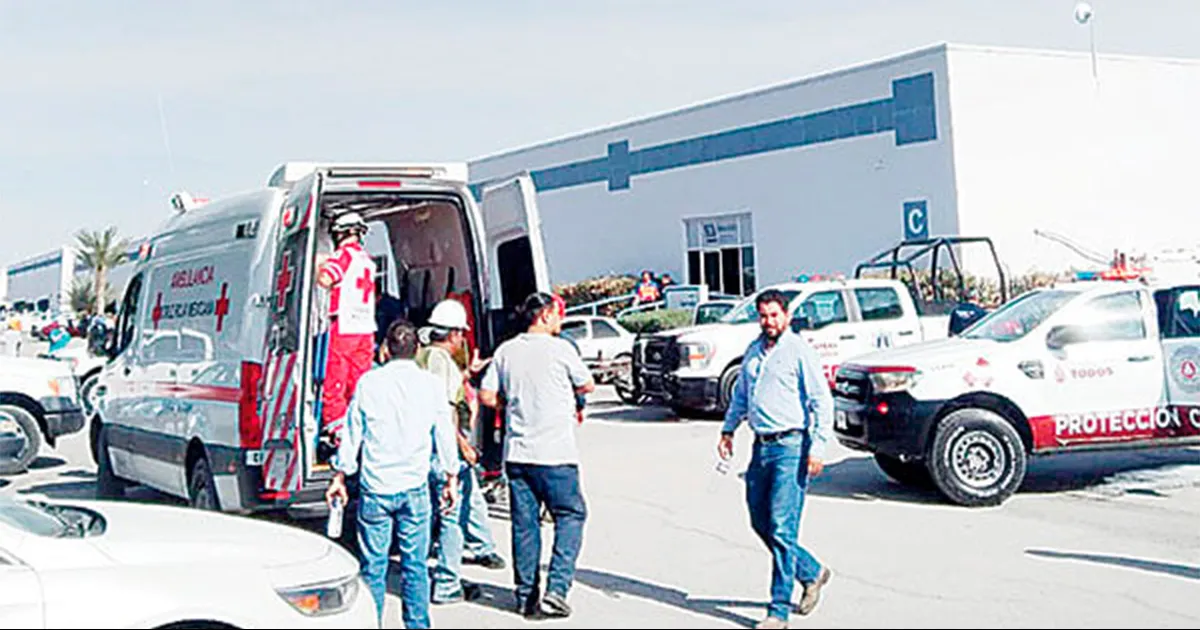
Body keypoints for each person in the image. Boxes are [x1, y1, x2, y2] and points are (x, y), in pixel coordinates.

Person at [325, 319, 459, 629]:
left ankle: (372, 623)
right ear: (417, 349)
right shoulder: (431, 385)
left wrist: (340, 475)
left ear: (385, 349)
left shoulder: (368, 383)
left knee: (373, 568)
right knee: (415, 567)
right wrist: (451, 478)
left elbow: (352, 434)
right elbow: (444, 434)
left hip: (376, 487)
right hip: (415, 488)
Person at [717, 289, 834, 629]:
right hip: (762, 447)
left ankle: (778, 610)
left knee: (783, 527)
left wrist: (818, 448)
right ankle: (811, 571)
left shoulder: (799, 351)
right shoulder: (753, 351)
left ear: (786, 316)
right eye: (763, 316)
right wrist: (728, 430)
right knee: (761, 521)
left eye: (774, 315)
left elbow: (821, 401)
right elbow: (742, 395)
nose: (769, 321)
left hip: (791, 447)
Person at [479, 292, 595, 619]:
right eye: (557, 315)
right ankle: (557, 590)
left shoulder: (506, 351)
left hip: (518, 455)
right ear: (544, 315)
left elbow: (486, 395)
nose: (560, 321)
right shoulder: (561, 350)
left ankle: (525, 596)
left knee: (524, 525)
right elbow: (587, 385)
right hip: (556, 455)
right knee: (570, 515)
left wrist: (511, 404)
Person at [416, 300, 504, 604]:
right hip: (444, 450)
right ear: (453, 334)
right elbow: (443, 412)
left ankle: (479, 547)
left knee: (446, 506)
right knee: (451, 516)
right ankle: (447, 584)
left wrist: (467, 372)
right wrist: (462, 445)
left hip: (423, 448)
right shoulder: (442, 361)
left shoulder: (423, 356)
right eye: (461, 334)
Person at [315, 212, 378, 446]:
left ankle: (337, 430)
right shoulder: (367, 260)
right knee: (359, 381)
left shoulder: (343, 256)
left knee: (335, 379)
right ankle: (360, 424)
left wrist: (317, 265)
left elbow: (325, 279)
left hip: (345, 325)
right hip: (366, 328)